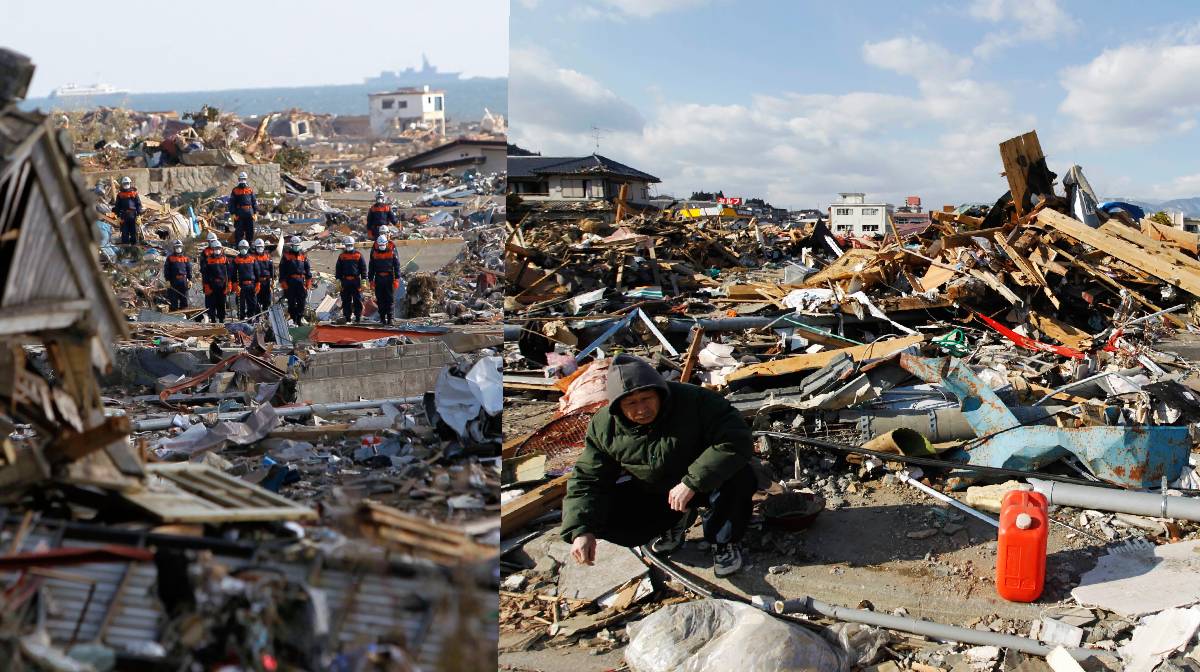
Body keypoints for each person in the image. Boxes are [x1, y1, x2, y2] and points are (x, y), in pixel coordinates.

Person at [562, 354, 755, 577]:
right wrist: (581, 530)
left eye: (647, 398)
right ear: (618, 406)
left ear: (660, 393)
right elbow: (588, 477)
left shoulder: (696, 401)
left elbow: (735, 440)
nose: (641, 409)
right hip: (658, 489)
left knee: (739, 476)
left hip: (706, 483)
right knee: (603, 516)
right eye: (631, 403)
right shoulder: (605, 426)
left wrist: (691, 482)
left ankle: (723, 541)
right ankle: (675, 521)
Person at [279, 235, 312, 325]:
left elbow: (308, 270)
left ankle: (299, 319)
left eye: (297, 245)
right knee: (291, 302)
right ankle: (293, 319)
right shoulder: (286, 256)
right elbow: (282, 271)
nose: (296, 247)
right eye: (294, 245)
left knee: (302, 301)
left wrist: (308, 282)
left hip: (301, 281)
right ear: (291, 245)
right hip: (290, 282)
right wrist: (283, 283)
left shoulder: (303, 256)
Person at [368, 234, 400, 325]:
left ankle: (390, 318)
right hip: (378, 278)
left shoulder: (392, 252)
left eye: (383, 245)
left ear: (386, 243)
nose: (382, 246)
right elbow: (371, 268)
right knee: (380, 299)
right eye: (380, 245)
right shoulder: (374, 253)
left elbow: (396, 266)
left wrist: (397, 279)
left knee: (390, 299)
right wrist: (371, 280)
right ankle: (382, 318)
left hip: (389, 277)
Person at [199, 233, 232, 322]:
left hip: (221, 284)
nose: (217, 250)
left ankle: (221, 319)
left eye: (218, 249)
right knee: (211, 303)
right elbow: (204, 272)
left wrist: (228, 284)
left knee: (221, 303)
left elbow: (228, 272)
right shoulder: (206, 256)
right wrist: (206, 285)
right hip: (211, 283)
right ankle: (212, 319)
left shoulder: (224, 258)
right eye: (211, 241)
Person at [335, 236, 367, 323]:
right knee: (346, 300)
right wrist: (338, 280)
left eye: (350, 245)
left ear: (353, 244)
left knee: (357, 299)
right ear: (345, 245)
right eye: (347, 245)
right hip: (345, 281)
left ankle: (358, 317)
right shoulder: (341, 256)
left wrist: (364, 280)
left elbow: (363, 268)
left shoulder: (358, 255)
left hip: (356, 281)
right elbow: (338, 269)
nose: (349, 246)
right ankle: (347, 317)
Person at [232, 240, 260, 320]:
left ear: (248, 248)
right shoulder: (236, 260)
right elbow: (233, 274)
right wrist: (235, 285)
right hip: (241, 286)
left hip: (251, 285)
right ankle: (241, 319)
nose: (243, 249)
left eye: (245, 247)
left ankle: (250, 319)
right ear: (239, 248)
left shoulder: (252, 259)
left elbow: (257, 272)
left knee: (253, 304)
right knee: (241, 304)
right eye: (241, 247)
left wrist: (258, 284)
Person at [228, 172, 257, 244]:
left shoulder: (250, 190)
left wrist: (255, 212)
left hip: (249, 213)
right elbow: (231, 202)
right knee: (239, 230)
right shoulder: (235, 190)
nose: (242, 180)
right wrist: (233, 213)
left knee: (250, 230)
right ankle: (239, 245)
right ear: (238, 179)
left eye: (244, 179)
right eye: (241, 179)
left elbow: (254, 201)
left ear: (246, 179)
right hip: (239, 213)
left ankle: (250, 244)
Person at [162, 240, 191, 311]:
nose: (178, 248)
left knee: (184, 299)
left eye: (180, 247)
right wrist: (167, 280)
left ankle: (184, 312)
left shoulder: (186, 258)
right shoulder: (170, 258)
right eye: (177, 247)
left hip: (183, 281)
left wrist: (190, 280)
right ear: (174, 248)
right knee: (173, 300)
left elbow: (189, 269)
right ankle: (175, 312)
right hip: (173, 281)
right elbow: (166, 270)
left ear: (182, 247)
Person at [113, 176, 143, 245]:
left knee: (134, 231)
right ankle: (126, 247)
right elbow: (117, 206)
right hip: (124, 215)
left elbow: (138, 204)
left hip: (133, 215)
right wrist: (118, 216)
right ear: (122, 184)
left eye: (127, 183)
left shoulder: (134, 193)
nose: (126, 185)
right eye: (124, 183)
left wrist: (139, 214)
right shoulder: (120, 195)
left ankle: (134, 246)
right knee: (124, 232)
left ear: (130, 183)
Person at [252, 238, 273, 310]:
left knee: (267, 299)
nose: (260, 248)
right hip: (257, 281)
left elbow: (271, 268)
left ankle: (266, 312)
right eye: (258, 247)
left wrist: (272, 279)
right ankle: (258, 314)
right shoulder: (252, 257)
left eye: (261, 247)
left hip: (266, 281)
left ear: (264, 247)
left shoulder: (267, 256)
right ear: (255, 247)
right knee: (257, 299)